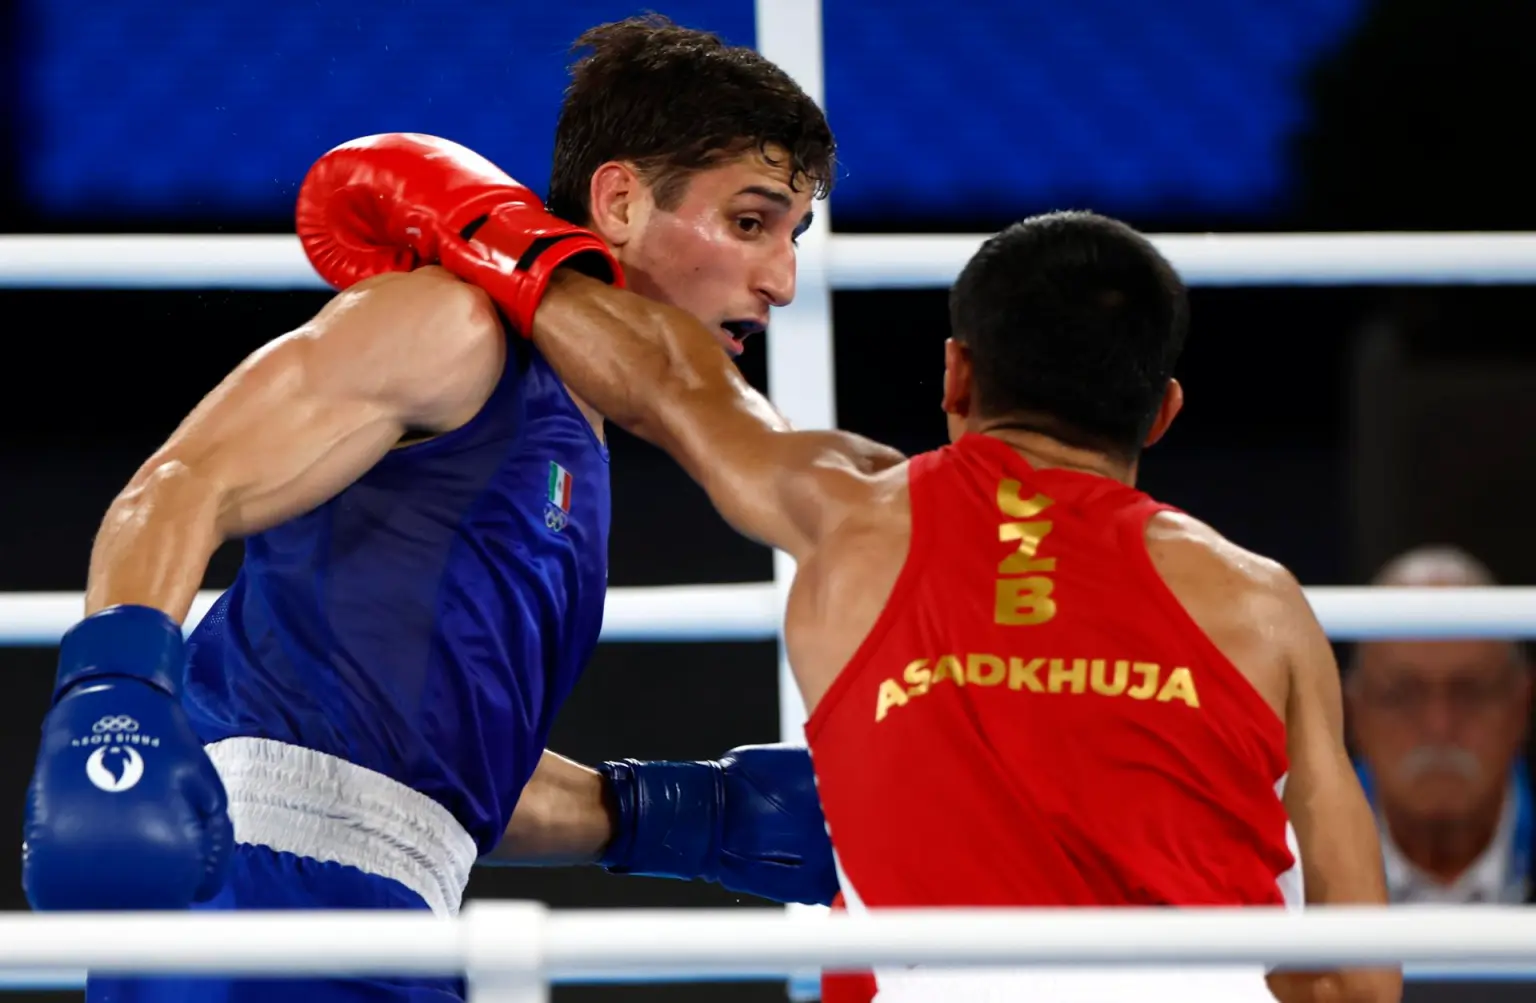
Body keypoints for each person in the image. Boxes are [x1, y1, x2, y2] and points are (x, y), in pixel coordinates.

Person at [22, 17, 841, 1003]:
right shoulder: (453, 326)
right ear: (620, 200)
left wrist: (685, 813)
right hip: (260, 905)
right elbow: (184, 485)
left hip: (396, 912)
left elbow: (412, 788)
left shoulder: (569, 438)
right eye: (751, 224)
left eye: (793, 236)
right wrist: (114, 703)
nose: (782, 280)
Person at [488, 211, 1404, 1002]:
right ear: (1161, 412)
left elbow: (666, 380)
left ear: (956, 376)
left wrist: (478, 232)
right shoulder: (1264, 604)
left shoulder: (853, 519)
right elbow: (1359, 978)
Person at [1347, 545, 1533, 904]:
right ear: (1354, 713)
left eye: (1471, 692)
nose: (1439, 726)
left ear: (1521, 706)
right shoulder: (1288, 865)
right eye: (1402, 695)